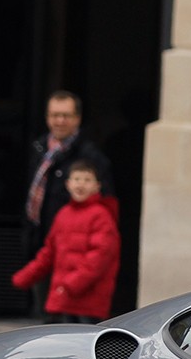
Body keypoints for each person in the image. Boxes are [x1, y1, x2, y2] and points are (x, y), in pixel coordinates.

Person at [23, 90, 113, 317]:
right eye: (54, 115)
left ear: (77, 119)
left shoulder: (90, 155)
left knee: (72, 324)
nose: (59, 121)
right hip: (45, 244)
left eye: (66, 115)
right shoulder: (40, 148)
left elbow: (106, 209)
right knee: (45, 315)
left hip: (77, 260)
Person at [10, 160, 120, 323]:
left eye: (87, 180)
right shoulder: (64, 214)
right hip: (64, 297)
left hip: (88, 300)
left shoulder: (101, 215)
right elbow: (49, 252)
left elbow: (99, 258)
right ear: (68, 184)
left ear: (97, 186)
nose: (80, 184)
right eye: (76, 179)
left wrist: (71, 284)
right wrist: (27, 275)